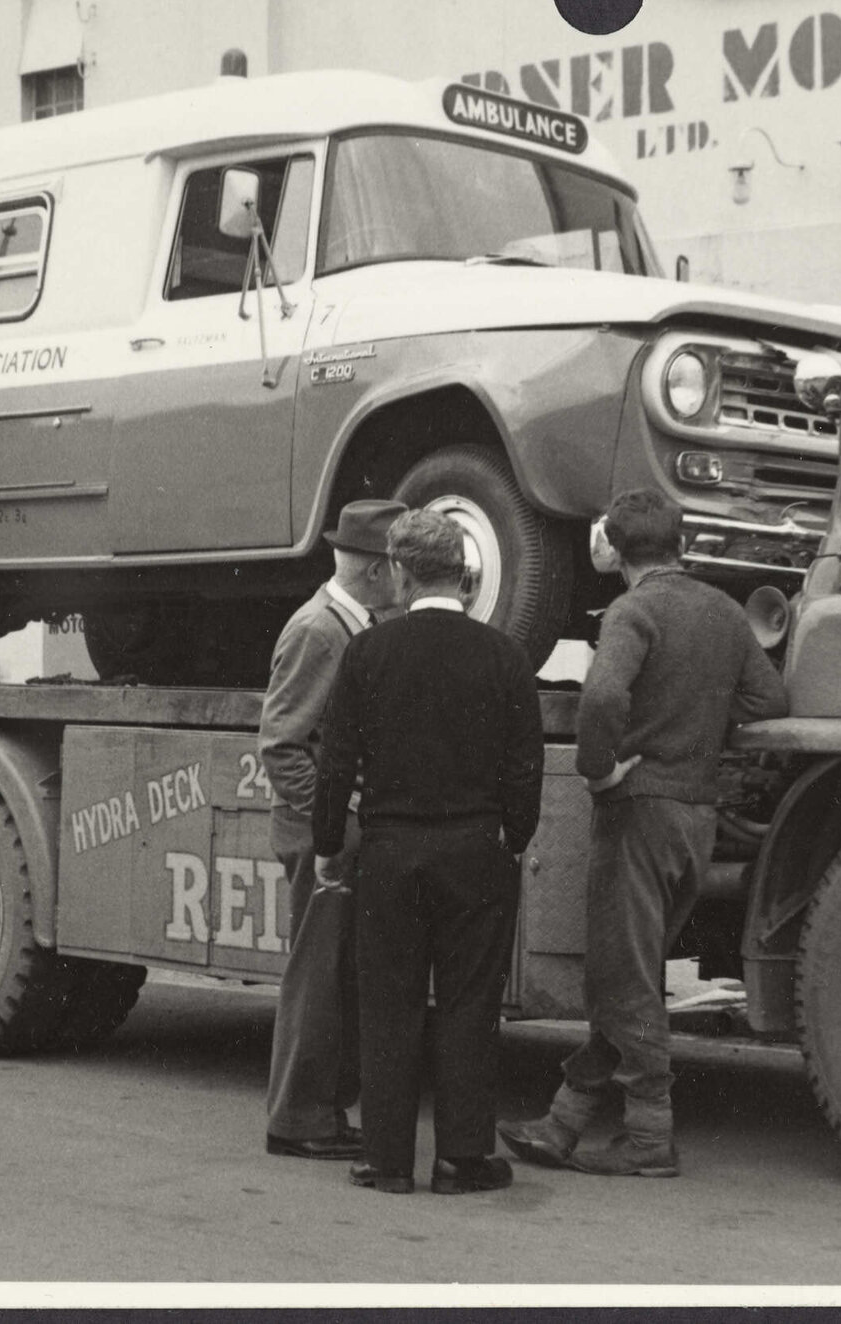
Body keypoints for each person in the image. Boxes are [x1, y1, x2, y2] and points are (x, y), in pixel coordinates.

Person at [499, 489, 788, 1179]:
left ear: (617, 551)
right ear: (676, 543)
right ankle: (564, 1123)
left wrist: (600, 770)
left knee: (622, 982)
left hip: (638, 815)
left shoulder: (634, 611)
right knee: (630, 976)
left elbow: (601, 698)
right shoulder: (721, 611)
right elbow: (770, 702)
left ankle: (649, 1137)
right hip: (697, 820)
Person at [313, 509, 544, 1195]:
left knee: (388, 1003)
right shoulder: (505, 656)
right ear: (466, 575)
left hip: (389, 852)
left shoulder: (368, 654)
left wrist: (330, 845)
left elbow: (336, 763)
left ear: (403, 574)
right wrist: (515, 836)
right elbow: (524, 765)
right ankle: (461, 1158)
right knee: (470, 1004)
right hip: (475, 851)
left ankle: (384, 1159)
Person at [260, 499, 406, 1161]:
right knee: (318, 980)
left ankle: (318, 1111)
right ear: (378, 570)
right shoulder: (321, 631)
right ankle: (298, 1118)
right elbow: (282, 745)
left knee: (334, 978)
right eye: (400, 566)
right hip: (323, 836)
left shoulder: (346, 625)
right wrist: (335, 828)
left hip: (329, 831)